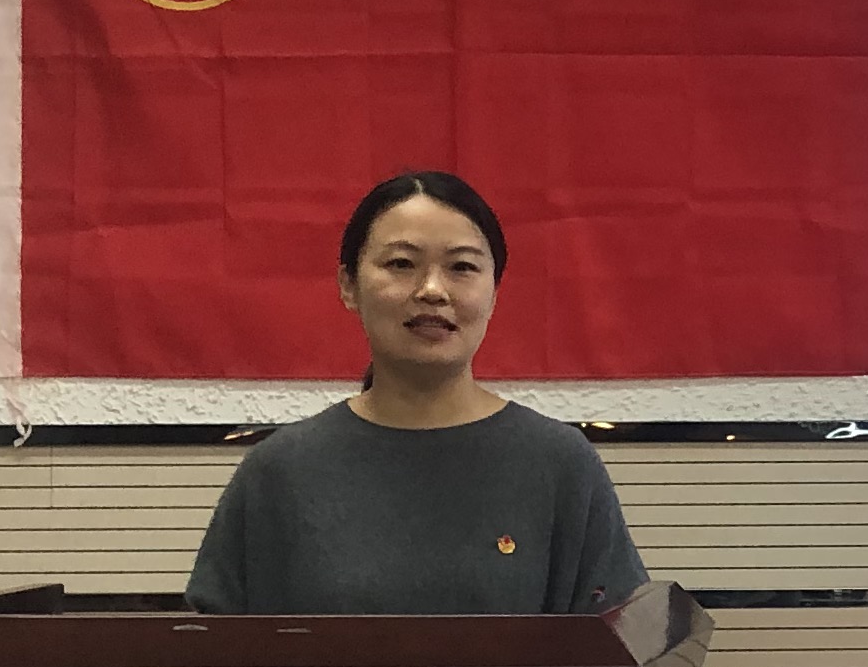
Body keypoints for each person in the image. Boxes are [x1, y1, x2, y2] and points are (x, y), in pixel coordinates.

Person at [183, 170, 647, 616]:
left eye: (462, 267)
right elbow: (212, 652)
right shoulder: (279, 472)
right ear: (348, 285)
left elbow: (627, 646)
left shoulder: (560, 465)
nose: (432, 290)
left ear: (494, 292)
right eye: (401, 264)